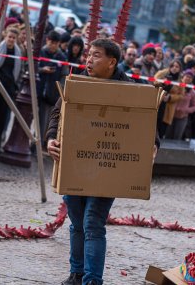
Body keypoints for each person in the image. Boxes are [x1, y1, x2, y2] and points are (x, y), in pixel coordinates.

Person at [46, 38, 159, 285]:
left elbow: (148, 126)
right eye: (89, 55)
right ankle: (76, 275)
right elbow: (57, 112)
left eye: (96, 55)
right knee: (76, 223)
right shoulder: (76, 84)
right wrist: (51, 139)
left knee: (92, 223)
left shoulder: (131, 90)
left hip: (108, 169)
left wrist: (152, 146)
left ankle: (92, 281)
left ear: (112, 62)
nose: (89, 59)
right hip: (75, 165)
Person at [38, 30, 66, 148]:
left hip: (54, 95)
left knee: (51, 120)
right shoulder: (41, 52)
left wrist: (61, 90)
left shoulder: (61, 57)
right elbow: (31, 68)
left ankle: (46, 143)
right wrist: (42, 69)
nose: (53, 45)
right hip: (40, 91)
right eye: (51, 42)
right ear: (47, 40)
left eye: (56, 43)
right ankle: (37, 143)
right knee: (40, 120)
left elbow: (64, 75)